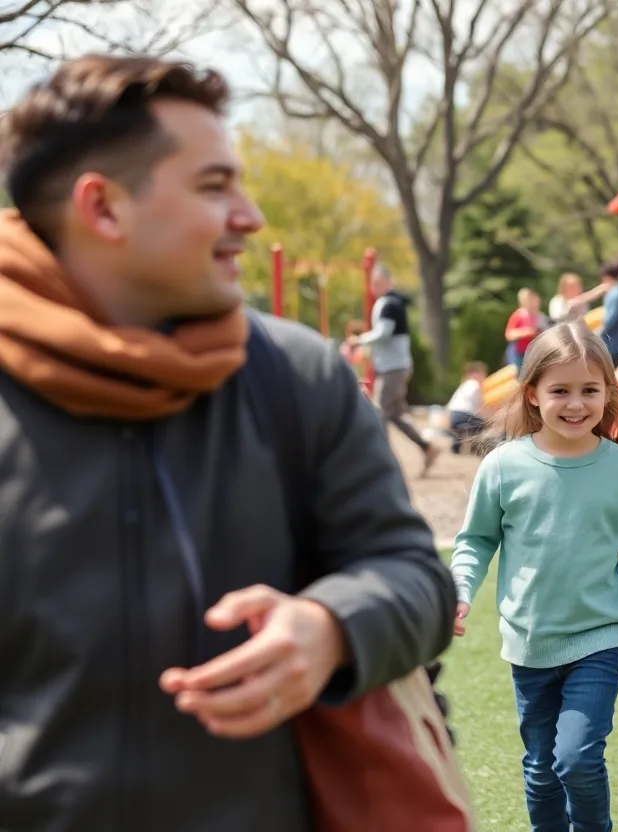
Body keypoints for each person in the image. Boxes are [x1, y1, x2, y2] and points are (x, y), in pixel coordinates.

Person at [0, 54, 456, 830]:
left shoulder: (299, 377)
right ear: (103, 208)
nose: (250, 215)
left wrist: (332, 627)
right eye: (215, 186)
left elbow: (417, 579)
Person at [449, 322, 618, 832]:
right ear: (532, 394)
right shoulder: (503, 466)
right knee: (542, 770)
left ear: (608, 393)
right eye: (561, 391)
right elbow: (476, 540)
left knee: (576, 759)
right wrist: (460, 590)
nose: (576, 403)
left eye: (590, 390)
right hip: (528, 641)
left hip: (600, 636)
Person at [351, 265, 440, 473]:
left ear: (388, 282)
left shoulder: (389, 304)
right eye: (373, 283)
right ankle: (427, 447)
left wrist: (360, 340)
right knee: (395, 415)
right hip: (395, 366)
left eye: (378, 283)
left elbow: (384, 332)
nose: (374, 287)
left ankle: (382, 464)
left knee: (379, 411)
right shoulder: (392, 303)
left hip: (393, 368)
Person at [446, 361, 489, 453]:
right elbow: (477, 405)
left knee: (463, 428)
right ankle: (476, 449)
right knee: (480, 424)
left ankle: (456, 448)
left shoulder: (464, 384)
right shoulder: (474, 385)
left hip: (453, 414)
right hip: (463, 414)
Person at [504, 287, 543, 372]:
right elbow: (509, 334)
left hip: (535, 352)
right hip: (520, 352)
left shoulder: (541, 316)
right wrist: (525, 332)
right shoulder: (518, 315)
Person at [598, 257, 618, 365]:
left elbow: (611, 318)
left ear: (606, 278)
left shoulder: (616, 293)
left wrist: (597, 333)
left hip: (614, 343)